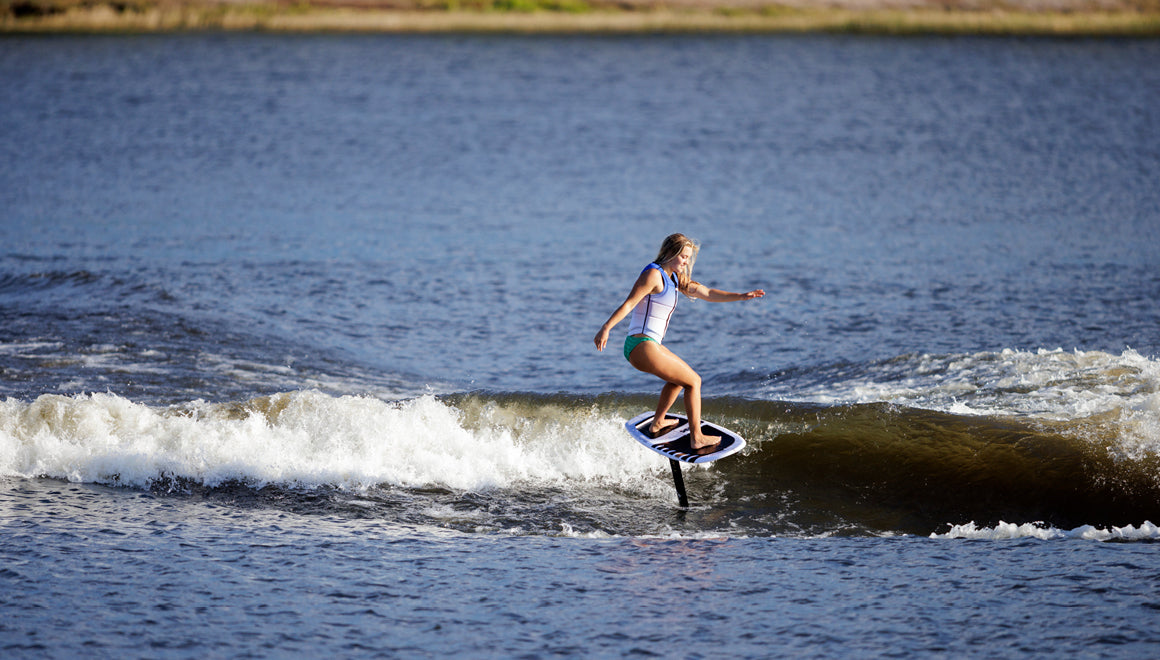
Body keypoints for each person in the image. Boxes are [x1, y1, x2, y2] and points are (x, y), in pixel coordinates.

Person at [594, 233, 765, 451]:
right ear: (669, 252)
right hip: (641, 345)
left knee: (678, 380)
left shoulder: (675, 278)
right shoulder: (653, 275)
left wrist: (741, 296)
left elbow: (708, 293)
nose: (686, 261)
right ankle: (697, 438)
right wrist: (606, 328)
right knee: (694, 381)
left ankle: (658, 422)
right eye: (683, 257)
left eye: (688, 258)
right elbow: (629, 304)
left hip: (647, 345)